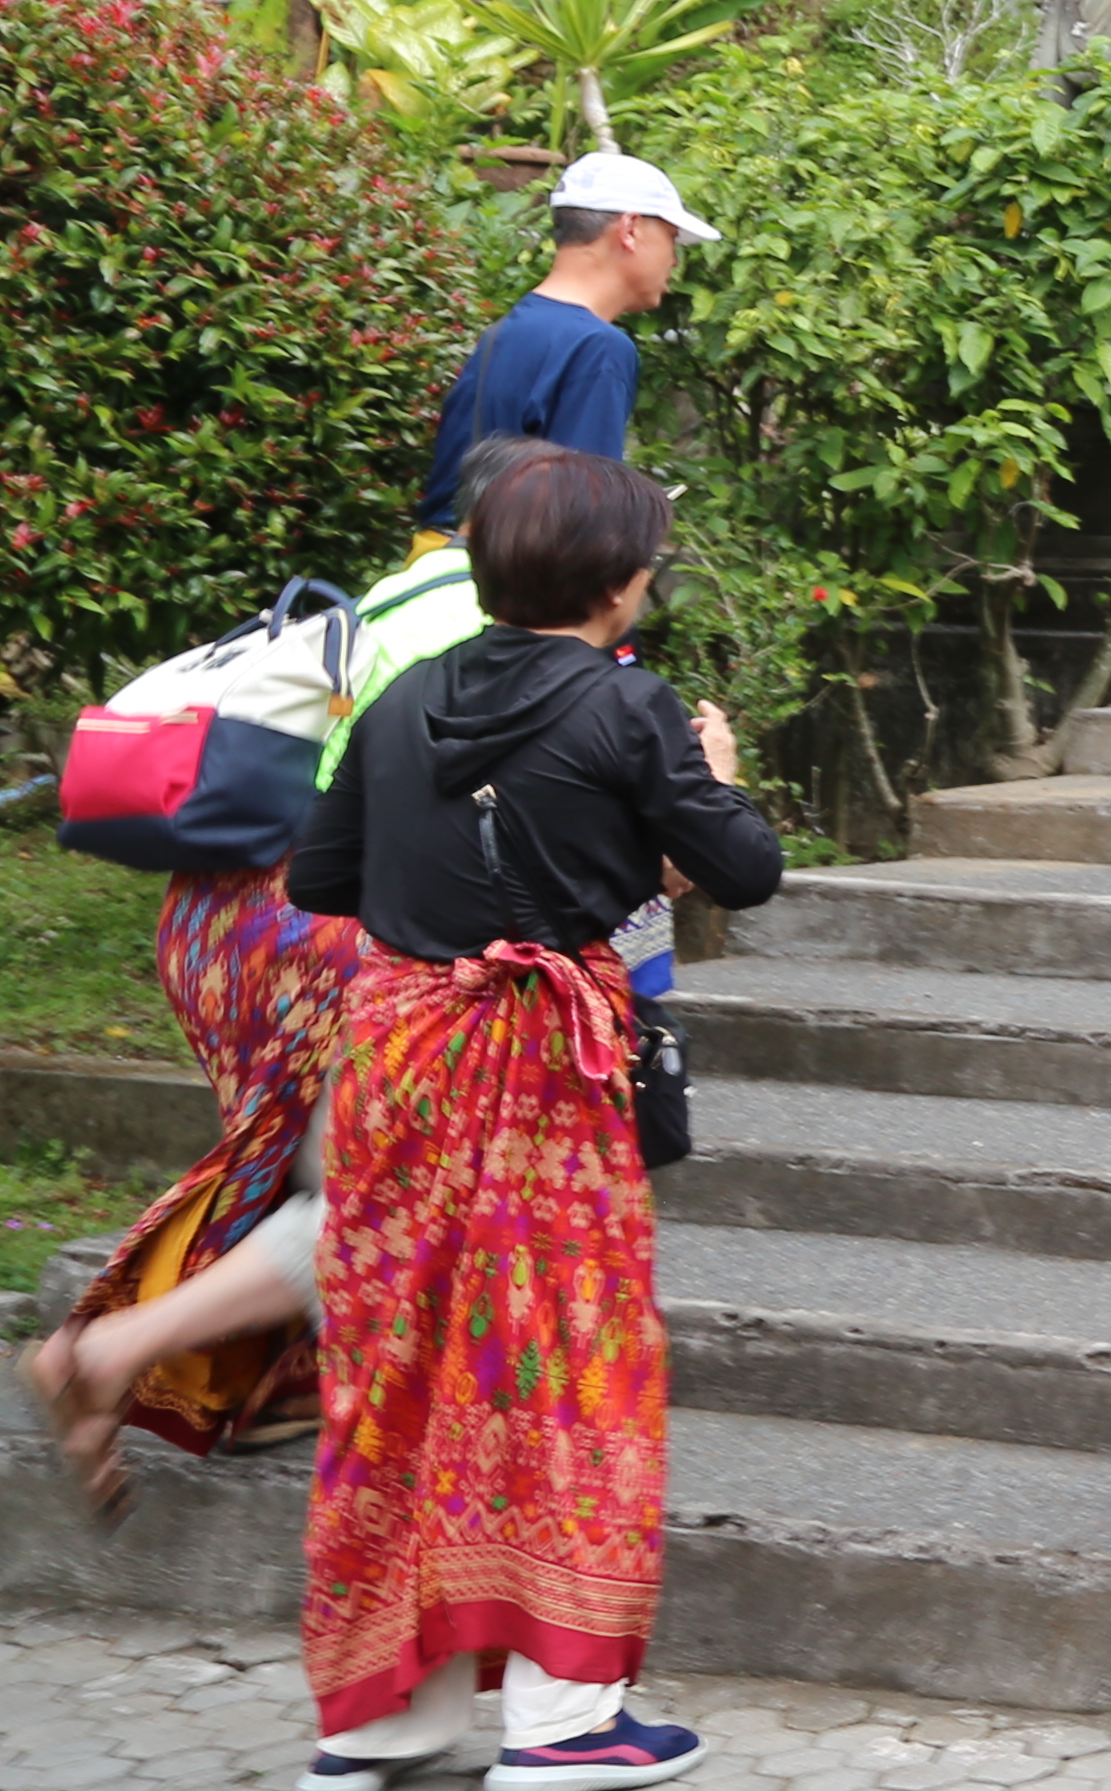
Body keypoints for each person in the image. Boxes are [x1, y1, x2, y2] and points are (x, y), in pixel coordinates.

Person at [283, 450, 781, 1787]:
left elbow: (326, 875)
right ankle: (565, 1723)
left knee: (399, 1364)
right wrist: (706, 775)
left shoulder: (398, 702)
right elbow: (749, 868)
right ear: (621, 584)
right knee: (560, 1364)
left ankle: (382, 1714)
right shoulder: (632, 712)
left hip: (397, 1062)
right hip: (543, 1071)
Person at [21, 444, 536, 1510]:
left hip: (213, 925)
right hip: (315, 929)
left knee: (313, 1164)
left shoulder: (399, 594)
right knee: (386, 1182)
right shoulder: (485, 628)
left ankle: (274, 1385)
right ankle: (115, 1349)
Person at [418, 154, 715, 522]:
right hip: (511, 574)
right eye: (672, 238)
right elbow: (580, 522)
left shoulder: (511, 329)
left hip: (444, 562)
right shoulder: (596, 346)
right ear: (630, 229)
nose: (674, 260)